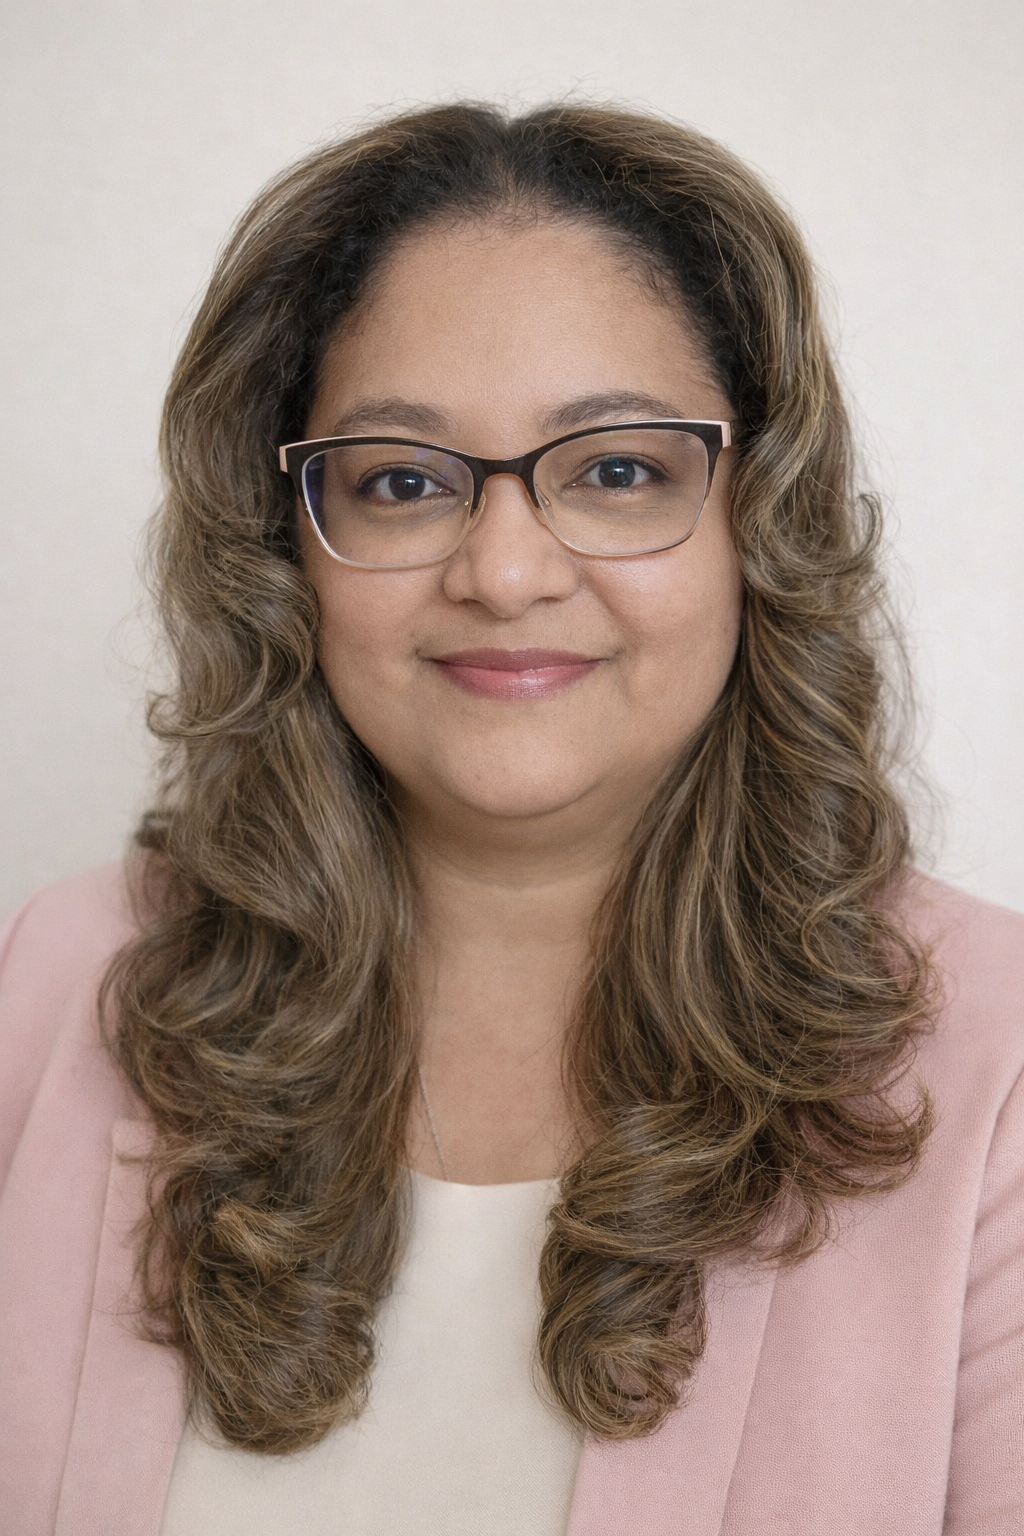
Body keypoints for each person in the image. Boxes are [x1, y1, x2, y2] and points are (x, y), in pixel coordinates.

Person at [1, 101, 1021, 1536]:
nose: (504, 567)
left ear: (759, 519)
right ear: (284, 544)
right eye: (404, 482)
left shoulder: (1002, 1075)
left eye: (615, 469)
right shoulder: (55, 984)